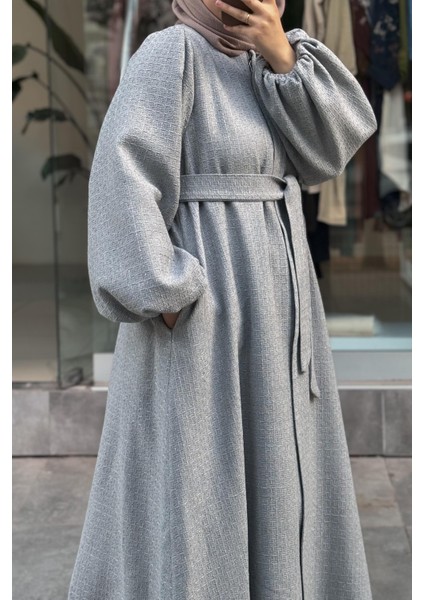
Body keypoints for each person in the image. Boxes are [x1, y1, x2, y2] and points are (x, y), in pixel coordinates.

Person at [68, 1, 378, 598]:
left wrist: (281, 53)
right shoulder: (172, 54)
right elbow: (119, 182)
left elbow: (331, 150)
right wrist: (168, 296)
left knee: (277, 476)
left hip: (277, 313)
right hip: (203, 323)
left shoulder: (272, 63)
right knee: (199, 486)